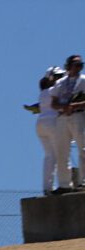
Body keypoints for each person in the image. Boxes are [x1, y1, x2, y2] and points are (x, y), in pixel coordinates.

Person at [52, 55, 85, 192]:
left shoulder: (83, 80)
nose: (79, 67)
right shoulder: (60, 82)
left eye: (81, 64)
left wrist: (75, 105)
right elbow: (53, 102)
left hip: (78, 115)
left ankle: (83, 182)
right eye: (76, 64)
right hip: (62, 117)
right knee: (62, 151)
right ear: (69, 66)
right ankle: (64, 184)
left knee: (83, 148)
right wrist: (63, 107)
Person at [38, 66, 69, 194]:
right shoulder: (55, 91)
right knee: (62, 153)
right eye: (58, 76)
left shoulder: (43, 93)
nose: (60, 79)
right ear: (51, 78)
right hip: (53, 124)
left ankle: (47, 187)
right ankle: (66, 183)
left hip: (41, 124)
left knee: (49, 156)